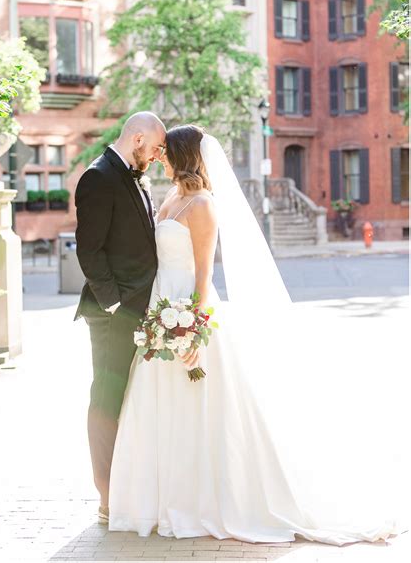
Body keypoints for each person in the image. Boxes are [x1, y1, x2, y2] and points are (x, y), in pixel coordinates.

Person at [108, 124, 406, 545]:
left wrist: (191, 330)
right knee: (161, 404)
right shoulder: (172, 196)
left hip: (189, 311)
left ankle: (211, 502)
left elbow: (204, 274)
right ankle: (162, 500)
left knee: (202, 409)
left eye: (166, 152)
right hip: (161, 304)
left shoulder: (203, 205)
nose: (159, 157)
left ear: (184, 155)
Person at [74, 111, 166, 523]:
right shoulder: (98, 177)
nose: (157, 155)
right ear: (138, 139)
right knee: (106, 399)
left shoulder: (130, 175)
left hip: (141, 310)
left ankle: (129, 487)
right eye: (156, 148)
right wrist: (113, 305)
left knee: (131, 398)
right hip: (113, 314)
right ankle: (107, 497)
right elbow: (89, 251)